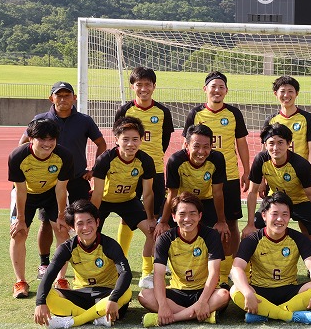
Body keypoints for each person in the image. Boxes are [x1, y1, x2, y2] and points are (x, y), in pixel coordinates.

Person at [18, 81, 106, 281]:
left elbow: (101, 143)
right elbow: (22, 144)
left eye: (67, 95)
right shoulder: (41, 120)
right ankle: (44, 263)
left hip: (76, 179)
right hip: (49, 183)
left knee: (84, 220)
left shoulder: (84, 120)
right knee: (47, 223)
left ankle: (86, 261)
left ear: (74, 98)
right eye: (59, 95)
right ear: (51, 98)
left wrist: (94, 169)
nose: (63, 99)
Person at [243, 123, 311, 277]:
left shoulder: (300, 164)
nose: (275, 148)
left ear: (289, 143)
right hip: (276, 202)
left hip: (301, 202)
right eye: (271, 143)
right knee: (248, 234)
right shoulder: (260, 160)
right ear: (265, 144)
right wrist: (250, 224)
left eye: (280, 143)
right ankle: (246, 276)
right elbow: (252, 192)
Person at [182, 70, 251, 286]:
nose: (217, 91)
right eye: (213, 87)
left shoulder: (233, 113)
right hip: (200, 177)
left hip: (228, 175)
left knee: (230, 222)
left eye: (221, 87)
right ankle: (198, 264)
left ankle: (235, 267)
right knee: (197, 220)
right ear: (205, 89)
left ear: (226, 91)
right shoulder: (195, 113)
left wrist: (246, 170)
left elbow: (241, 143)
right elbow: (186, 145)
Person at [151, 124, 229, 289]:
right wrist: (163, 221)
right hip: (181, 202)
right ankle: (153, 272)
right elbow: (172, 194)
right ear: (186, 145)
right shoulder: (175, 160)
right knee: (158, 232)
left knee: (223, 233)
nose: (201, 151)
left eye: (206, 147)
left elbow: (218, 192)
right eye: (196, 146)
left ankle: (222, 277)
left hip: (205, 200)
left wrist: (222, 221)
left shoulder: (217, 159)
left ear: (211, 146)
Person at [33, 200, 132, 329]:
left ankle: (75, 321)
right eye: (80, 223)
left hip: (107, 296)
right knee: (47, 295)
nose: (85, 228)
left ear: (97, 222)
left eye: (89, 222)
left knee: (126, 292)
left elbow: (125, 273)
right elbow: (49, 275)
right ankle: (96, 318)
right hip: (80, 295)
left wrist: (113, 298)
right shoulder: (67, 248)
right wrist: (40, 303)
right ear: (72, 227)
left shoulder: (110, 245)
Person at [114, 66, 174, 277]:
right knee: (126, 216)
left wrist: (151, 159)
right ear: (133, 87)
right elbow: (118, 139)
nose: (143, 89)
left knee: (154, 218)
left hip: (155, 170)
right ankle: (120, 260)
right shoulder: (125, 110)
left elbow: (164, 141)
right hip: (128, 170)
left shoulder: (163, 112)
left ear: (154, 86)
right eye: (139, 84)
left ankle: (151, 266)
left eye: (148, 84)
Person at [229, 192, 311, 324]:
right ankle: (288, 315)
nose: (280, 219)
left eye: (285, 214)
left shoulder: (299, 239)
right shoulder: (252, 239)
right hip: (260, 291)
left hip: (289, 291)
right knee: (235, 290)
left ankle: (265, 314)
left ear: (290, 216)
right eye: (274, 214)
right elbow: (236, 268)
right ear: (264, 216)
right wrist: (247, 292)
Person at [138, 192, 230, 326]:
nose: (187, 219)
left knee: (223, 294)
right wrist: (163, 305)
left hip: (203, 291)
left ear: (200, 216)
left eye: (192, 214)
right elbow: (158, 275)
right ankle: (201, 315)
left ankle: (175, 317)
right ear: (174, 217)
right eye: (182, 214)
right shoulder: (164, 239)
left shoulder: (211, 235)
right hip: (177, 292)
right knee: (144, 295)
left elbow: (214, 273)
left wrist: (202, 302)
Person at [8, 119, 73, 298]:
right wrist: (21, 219)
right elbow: (20, 190)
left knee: (62, 230)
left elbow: (61, 189)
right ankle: (20, 282)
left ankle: (61, 279)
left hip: (52, 194)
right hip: (26, 194)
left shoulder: (64, 156)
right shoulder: (17, 156)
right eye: (42, 139)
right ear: (31, 139)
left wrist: (61, 216)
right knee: (18, 233)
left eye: (51, 139)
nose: (47, 143)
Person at [90, 117, 157, 271]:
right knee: (90, 233)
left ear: (141, 140)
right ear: (116, 140)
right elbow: (97, 193)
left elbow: (148, 193)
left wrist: (151, 218)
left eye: (135, 139)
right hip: (104, 200)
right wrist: (92, 217)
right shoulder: (105, 159)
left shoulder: (146, 161)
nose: (130, 144)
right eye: (125, 139)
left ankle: (146, 274)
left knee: (152, 232)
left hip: (128, 201)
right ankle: (91, 270)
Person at [263, 75, 311, 171]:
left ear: (296, 93)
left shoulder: (308, 119)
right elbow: (265, 150)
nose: (286, 95)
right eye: (282, 91)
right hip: (275, 175)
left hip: (300, 173)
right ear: (275, 93)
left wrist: (308, 174)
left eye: (290, 91)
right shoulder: (270, 121)